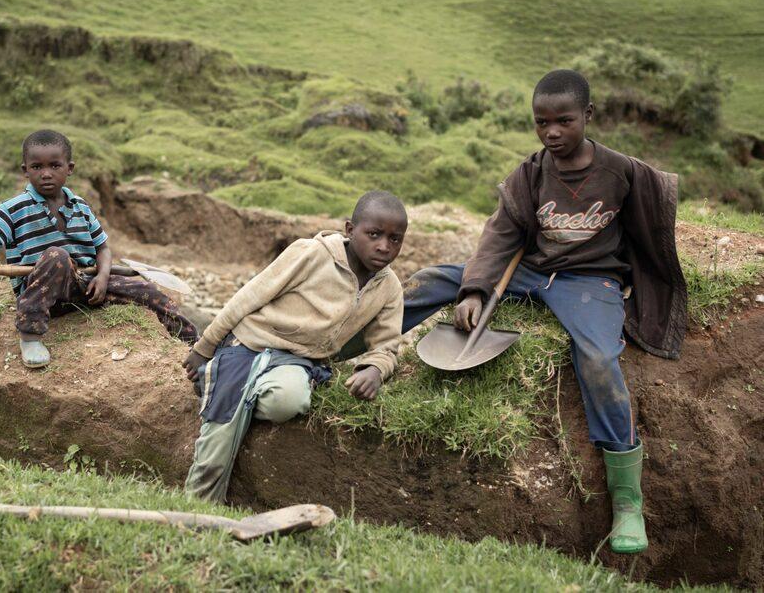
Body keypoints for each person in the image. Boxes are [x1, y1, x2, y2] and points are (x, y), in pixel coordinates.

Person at [402, 70, 687, 554]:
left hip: (588, 282)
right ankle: (347, 343)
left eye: (564, 121)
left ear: (588, 117)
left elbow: (650, 233)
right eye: (541, 123)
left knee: (597, 358)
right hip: (529, 273)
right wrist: (473, 290)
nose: (552, 132)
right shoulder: (530, 174)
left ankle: (627, 502)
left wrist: (642, 288)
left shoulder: (621, 172)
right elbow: (500, 235)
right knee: (433, 279)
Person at [181, 190, 408, 502]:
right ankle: (198, 505)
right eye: (374, 234)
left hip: (299, 360)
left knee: (288, 404)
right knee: (222, 425)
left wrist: (374, 370)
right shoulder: (310, 254)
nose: (384, 246)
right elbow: (249, 296)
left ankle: (220, 383)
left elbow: (386, 345)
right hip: (248, 344)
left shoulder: (389, 288)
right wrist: (204, 348)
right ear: (350, 229)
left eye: (395, 239)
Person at [0, 129, 198, 368]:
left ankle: (193, 342)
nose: (46, 173)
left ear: (69, 169)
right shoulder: (16, 208)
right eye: (37, 167)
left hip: (84, 288)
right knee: (57, 255)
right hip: (44, 293)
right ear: (25, 170)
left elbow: (103, 247)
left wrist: (104, 276)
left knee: (145, 290)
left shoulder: (80, 206)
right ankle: (30, 334)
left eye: (54, 166)